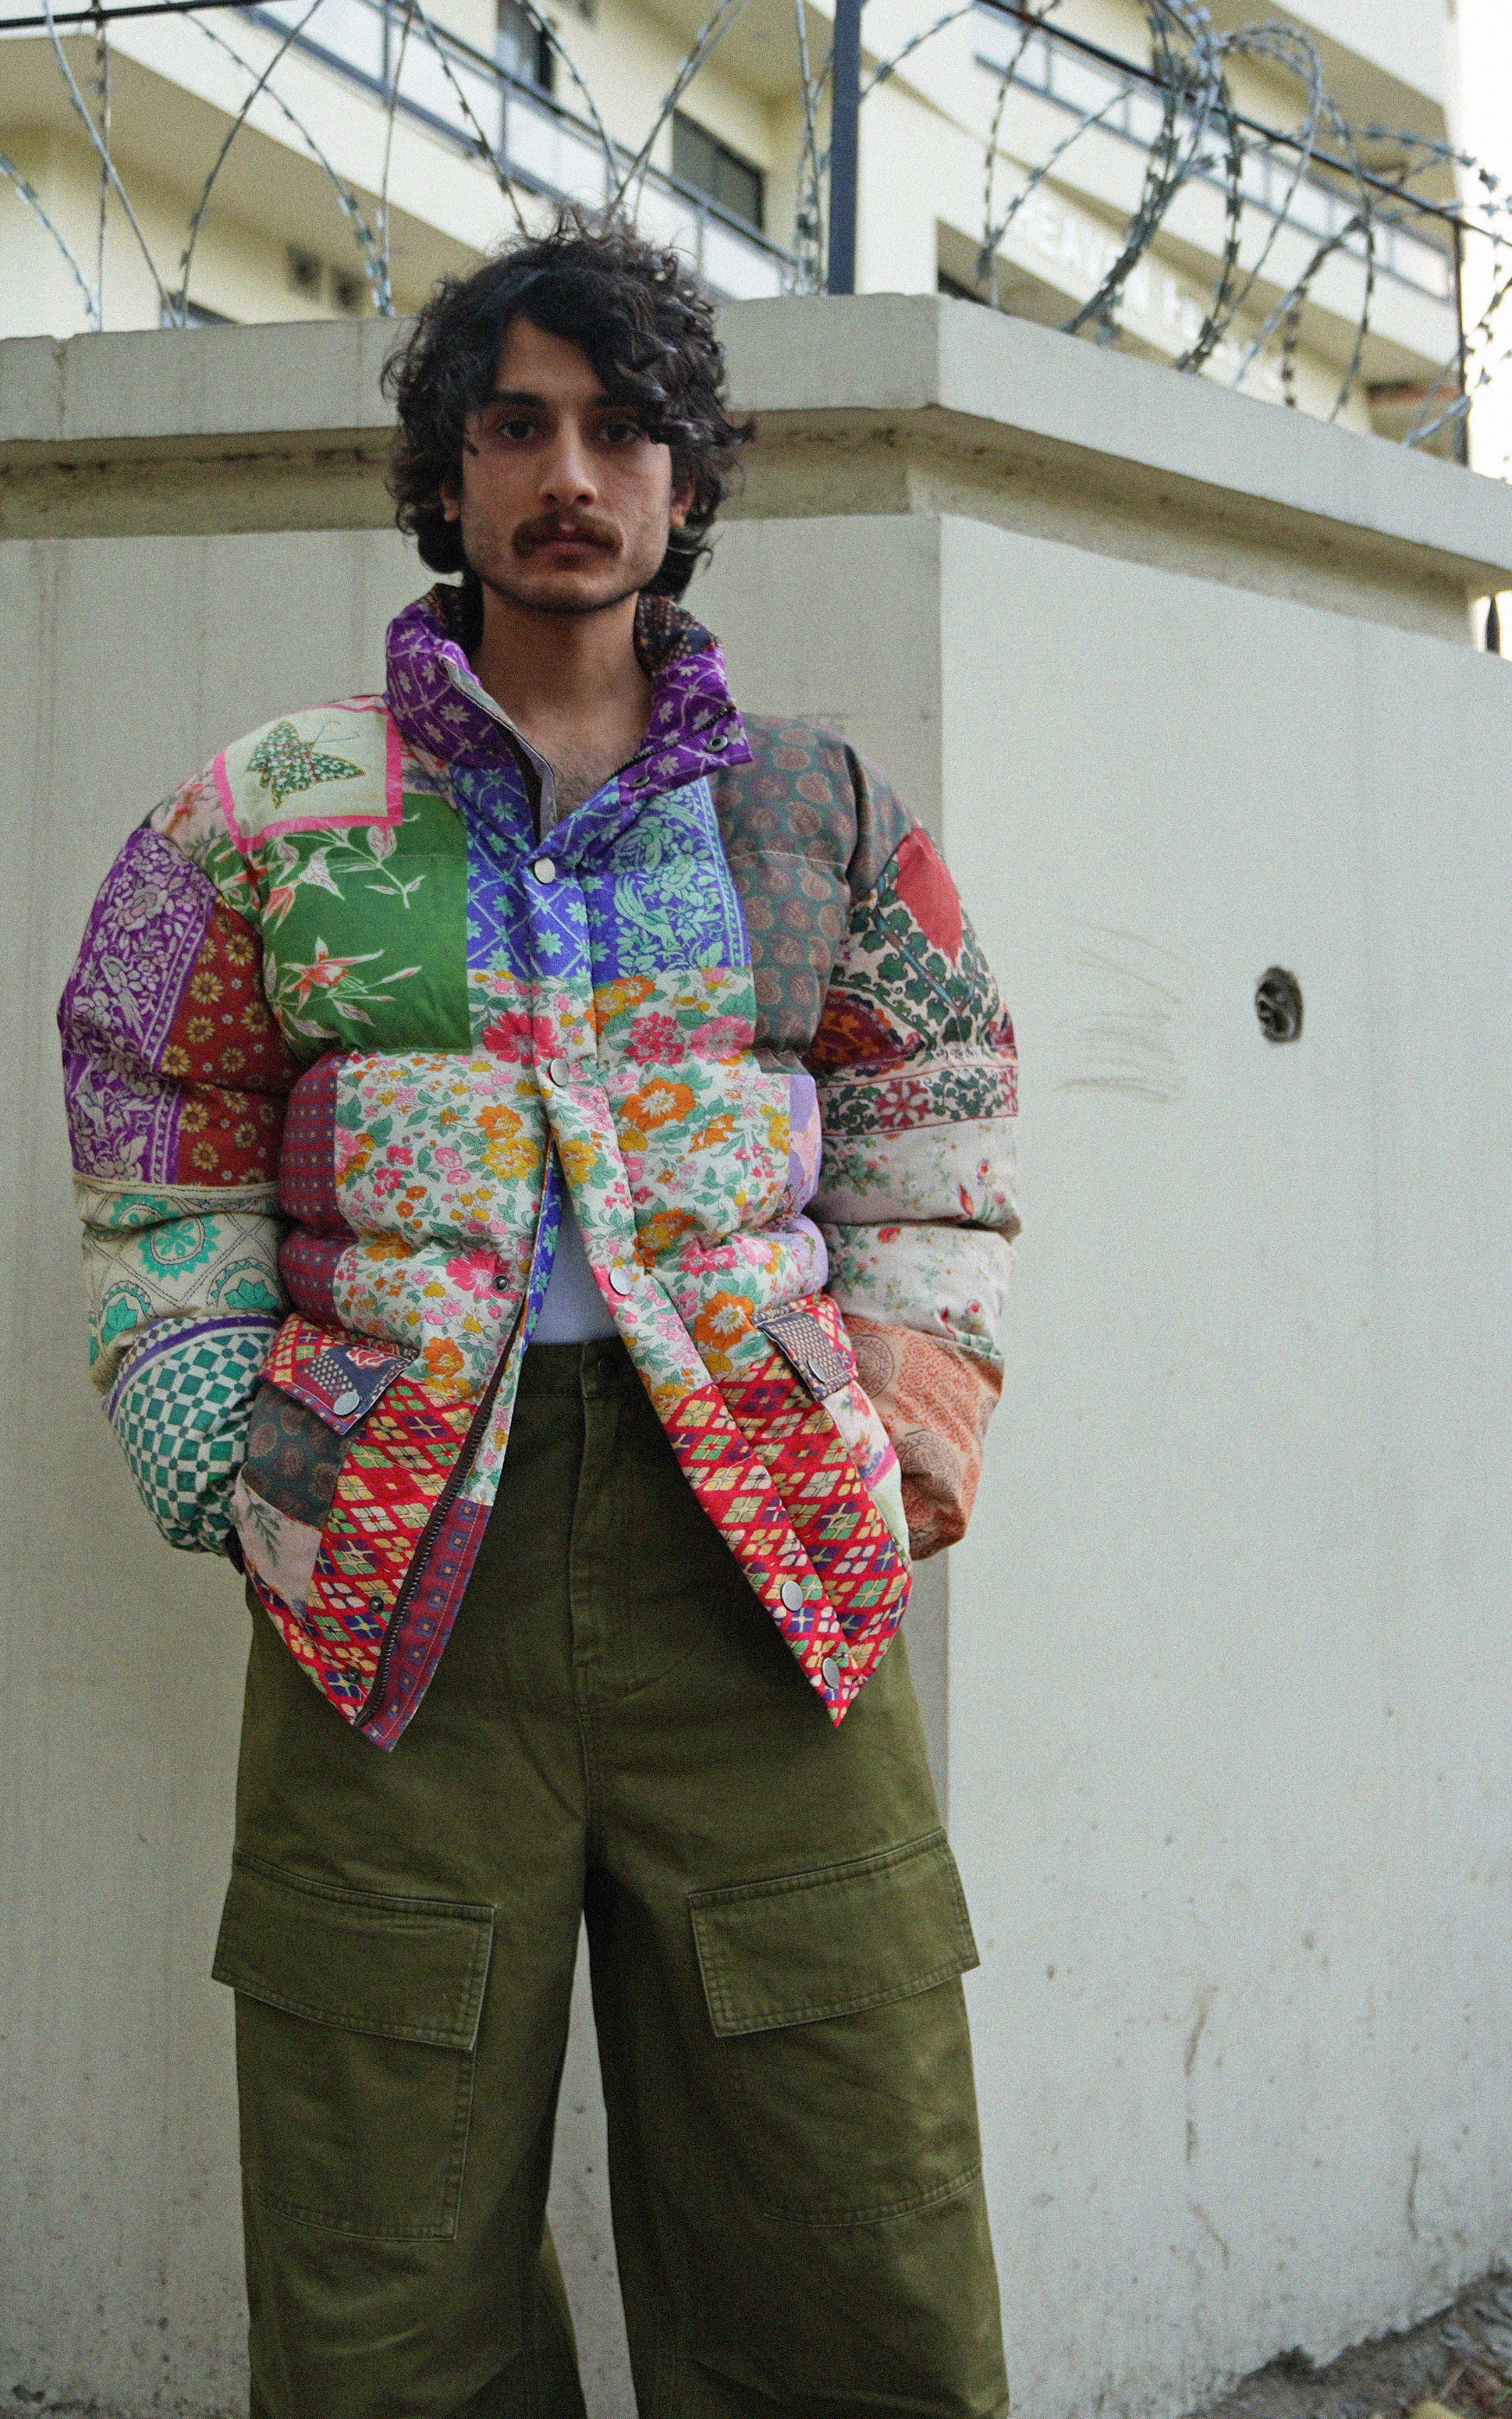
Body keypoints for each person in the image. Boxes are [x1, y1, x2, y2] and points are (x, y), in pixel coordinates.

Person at [58, 211, 1020, 2419]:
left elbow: (941, 1094)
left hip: (763, 1569)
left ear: (686, 478)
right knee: (379, 2246)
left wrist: (900, 1416)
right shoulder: (278, 817)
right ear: (450, 470)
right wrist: (227, 1439)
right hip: (388, 1579)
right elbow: (152, 1093)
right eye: (516, 425)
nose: (567, 473)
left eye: (619, 427)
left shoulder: (815, 810)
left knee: (848, 2195)